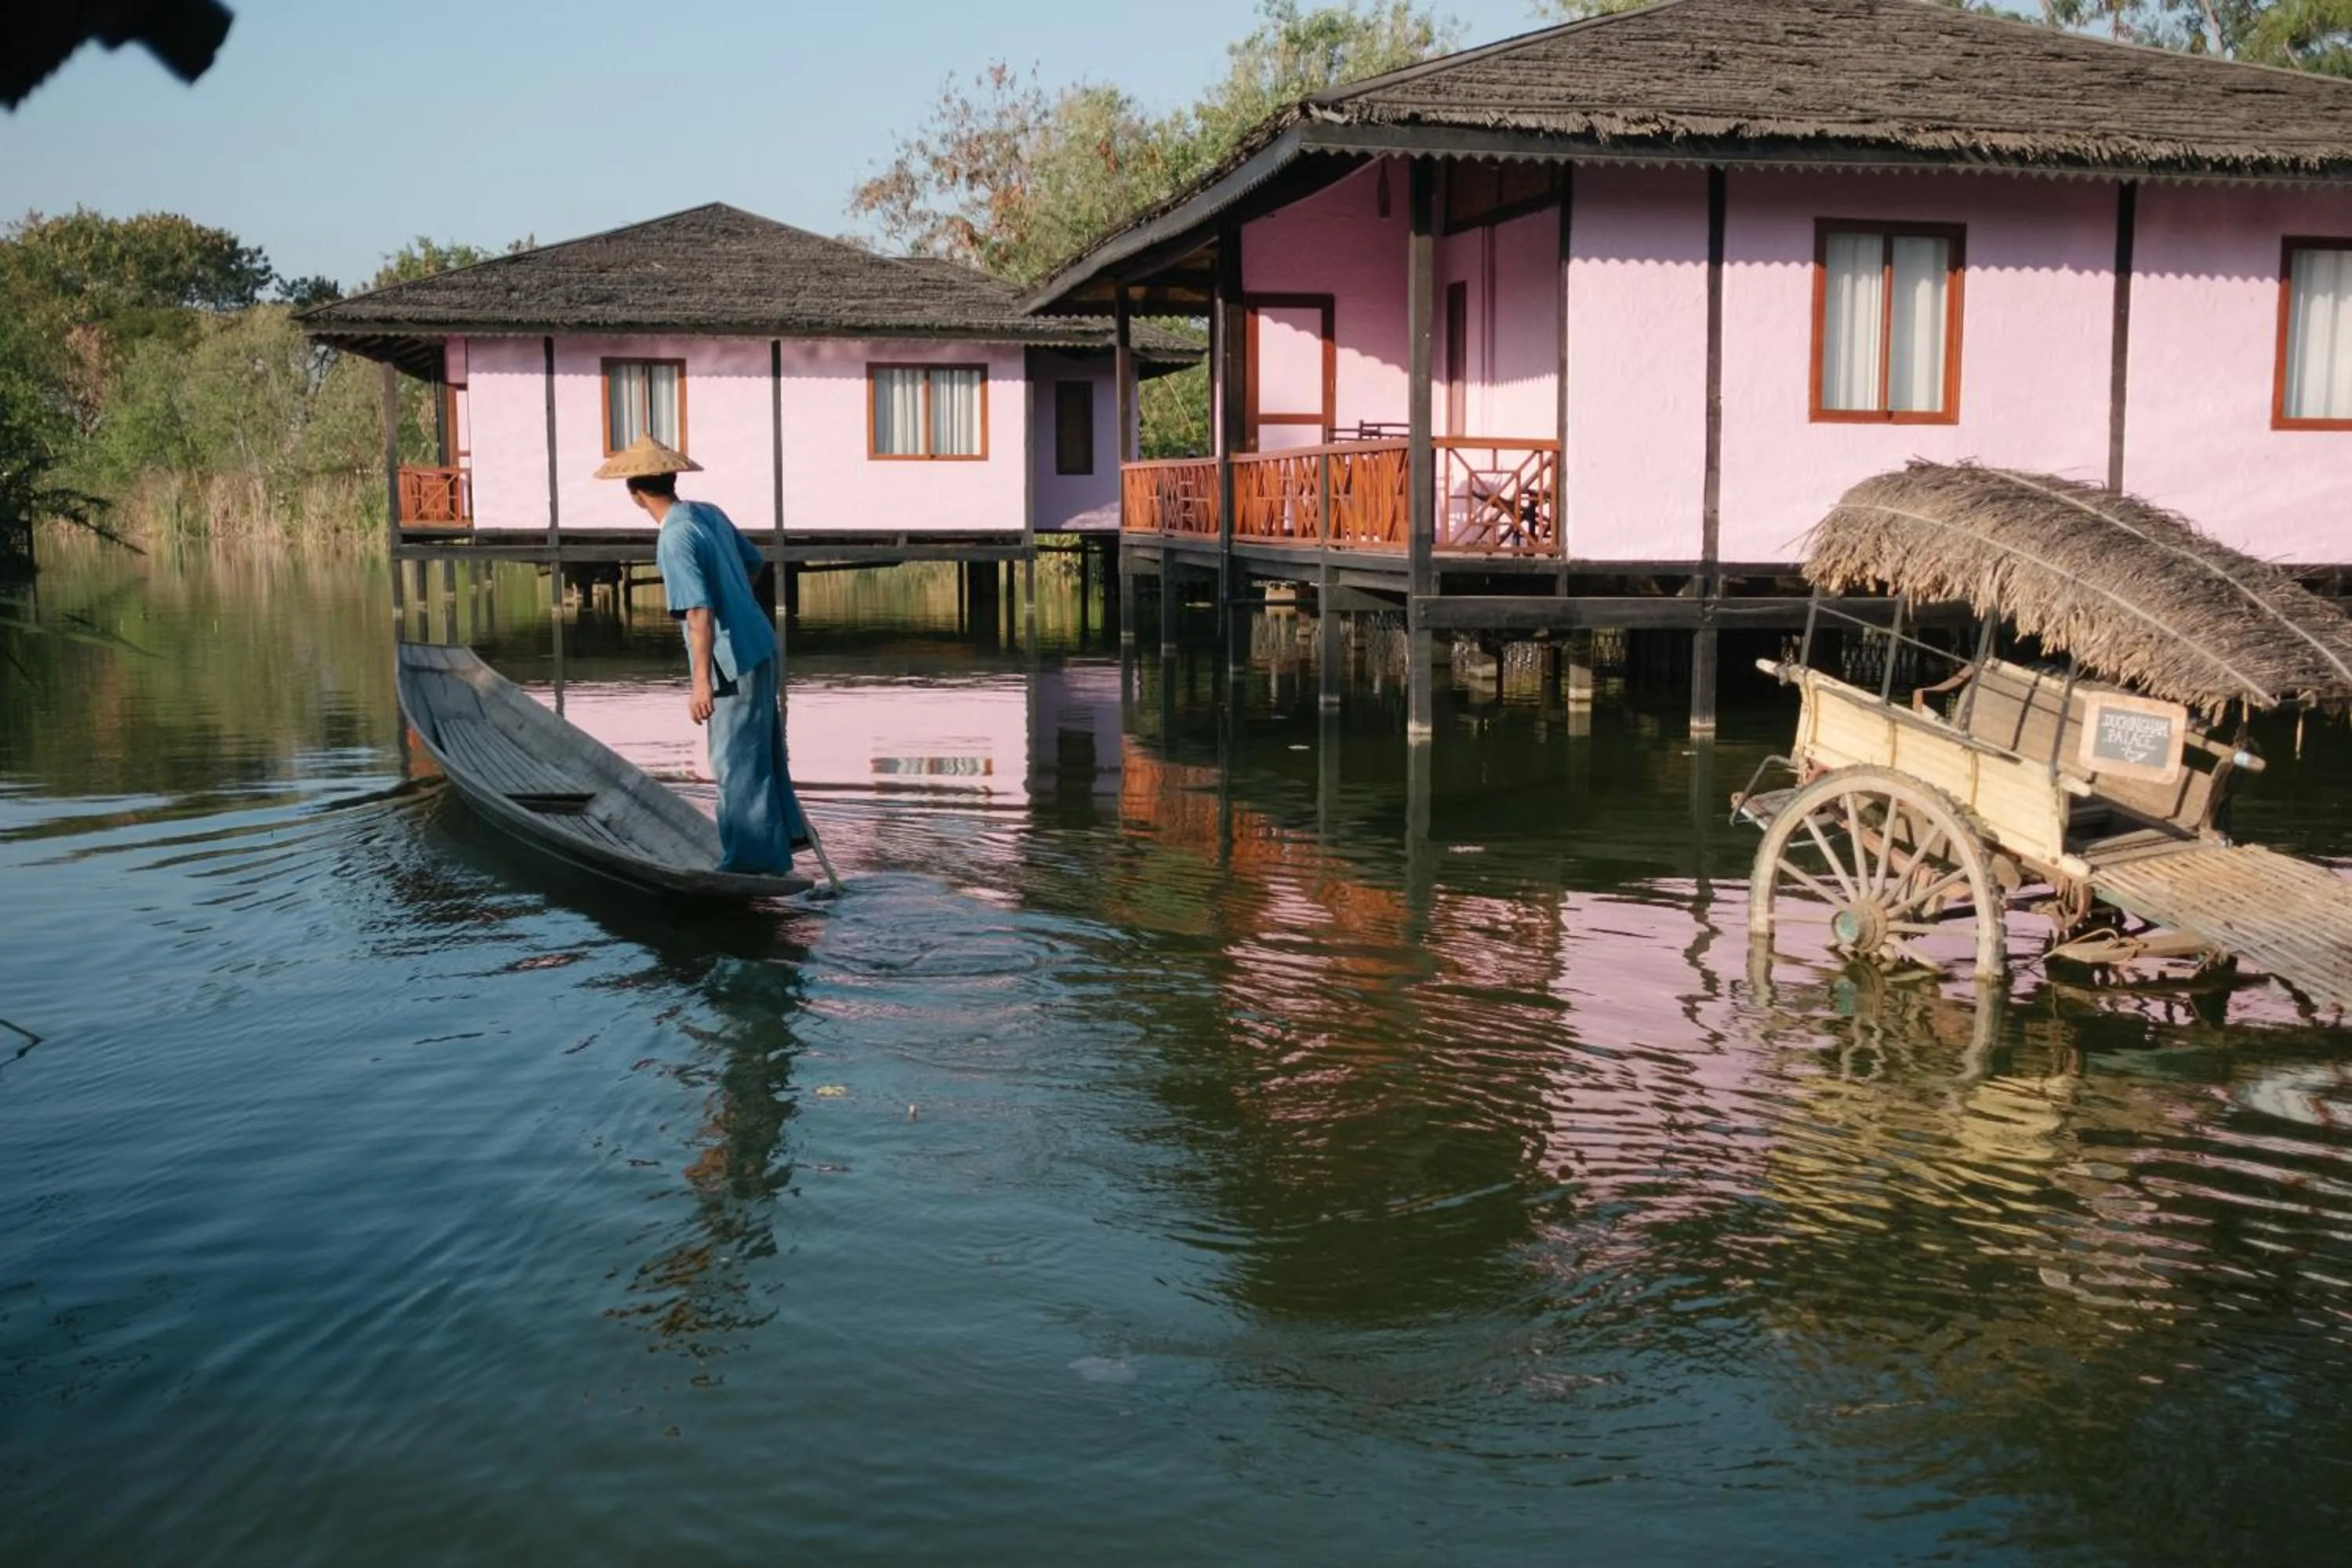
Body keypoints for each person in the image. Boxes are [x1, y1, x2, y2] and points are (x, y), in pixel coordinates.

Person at [593, 434, 808, 875]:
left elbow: (698, 612)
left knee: (734, 762)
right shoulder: (708, 513)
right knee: (763, 753)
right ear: (672, 480)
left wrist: (700, 685)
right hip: (761, 644)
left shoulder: (674, 537)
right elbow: (753, 562)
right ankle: (780, 843)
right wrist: (737, 602)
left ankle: (748, 865)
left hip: (735, 662)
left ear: (634, 494)